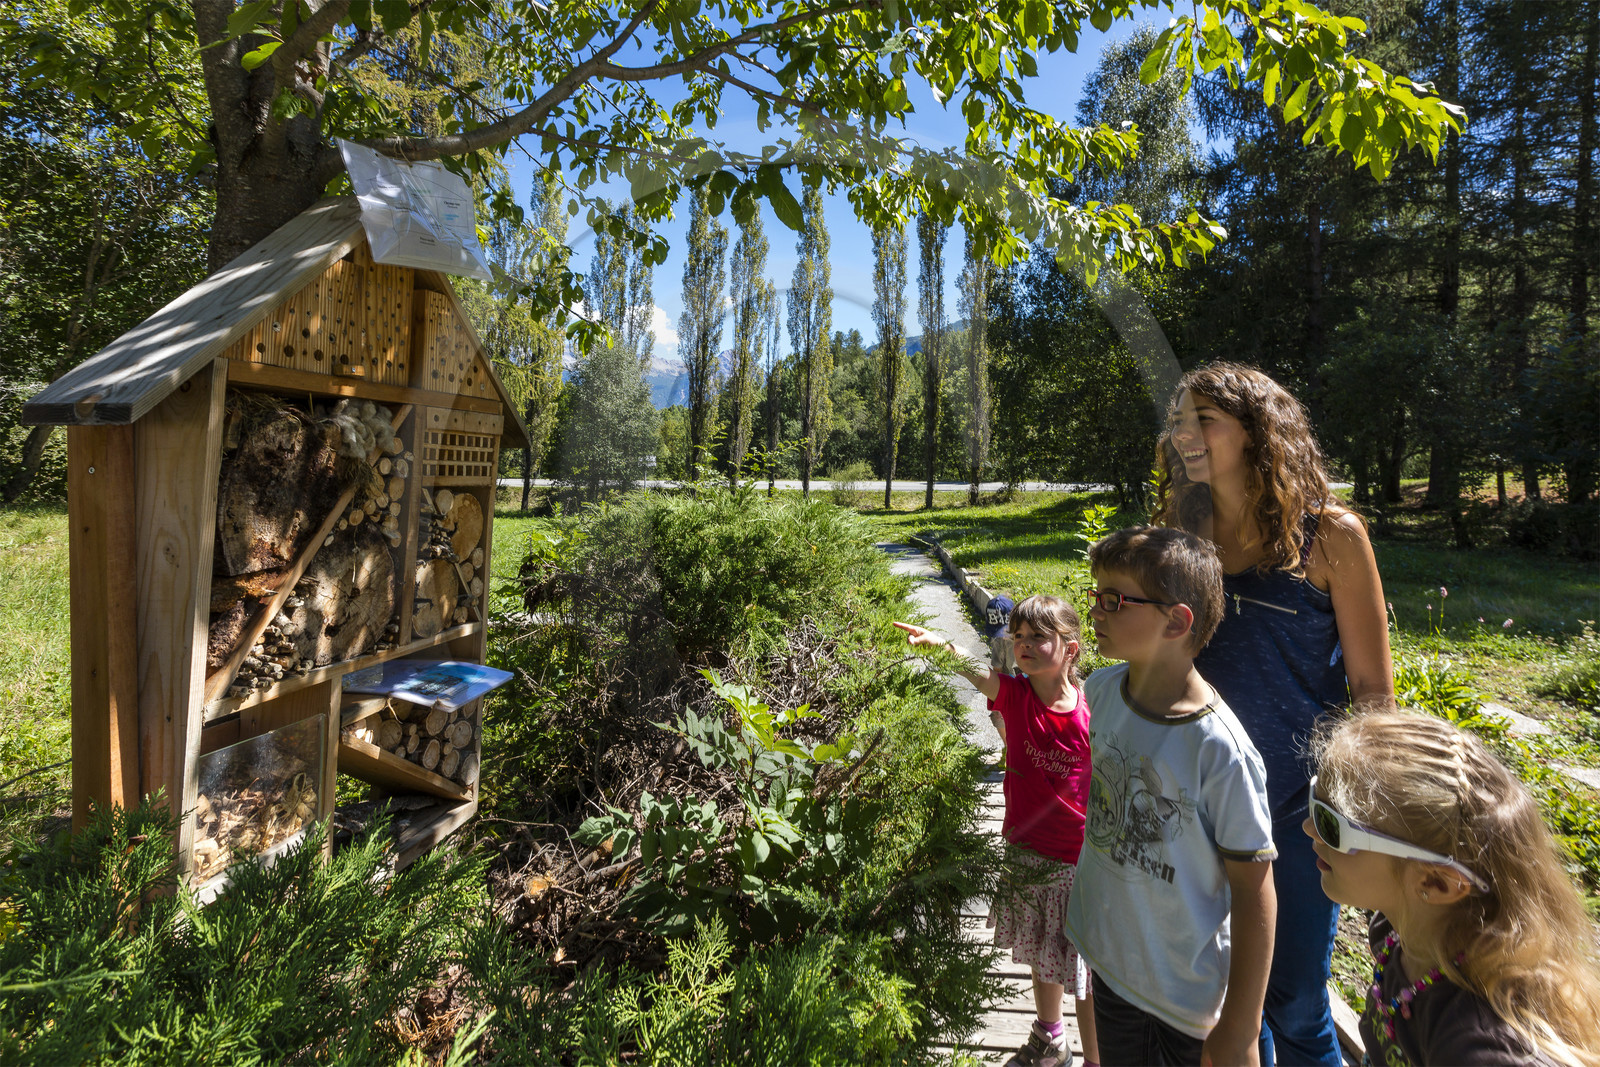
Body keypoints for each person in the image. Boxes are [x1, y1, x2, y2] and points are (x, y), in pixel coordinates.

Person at [1154, 362, 1393, 1065]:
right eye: (1178, 421)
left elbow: (1372, 689)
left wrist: (1362, 804)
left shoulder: (1331, 535)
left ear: (1259, 432)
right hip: (1198, 801)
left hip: (1294, 807)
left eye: (1204, 420)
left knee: (1293, 1003)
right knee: (1222, 997)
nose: (1185, 435)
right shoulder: (1183, 531)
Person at [1065, 526, 1276, 1067]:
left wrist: (1242, 1028)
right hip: (1110, 963)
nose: (1096, 611)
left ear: (1177, 622)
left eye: (1114, 601)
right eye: (1096, 595)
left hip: (1184, 1000)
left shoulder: (1220, 751)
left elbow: (1254, 889)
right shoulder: (1101, 691)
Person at [1307, 710, 1600, 1066]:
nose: (1309, 827)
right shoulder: (1398, 931)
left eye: (1331, 823)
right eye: (1314, 799)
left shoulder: (1479, 1046)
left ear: (1436, 882)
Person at [894, 595, 1099, 1067]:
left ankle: (1095, 1057)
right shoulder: (1015, 695)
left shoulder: (1093, 711)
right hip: (1027, 851)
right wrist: (940, 644)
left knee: (1086, 971)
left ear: (1070, 649)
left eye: (1037, 637)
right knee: (1043, 951)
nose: (1022, 644)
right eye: (1018, 636)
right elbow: (977, 672)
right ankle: (1050, 1036)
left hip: (1081, 861)